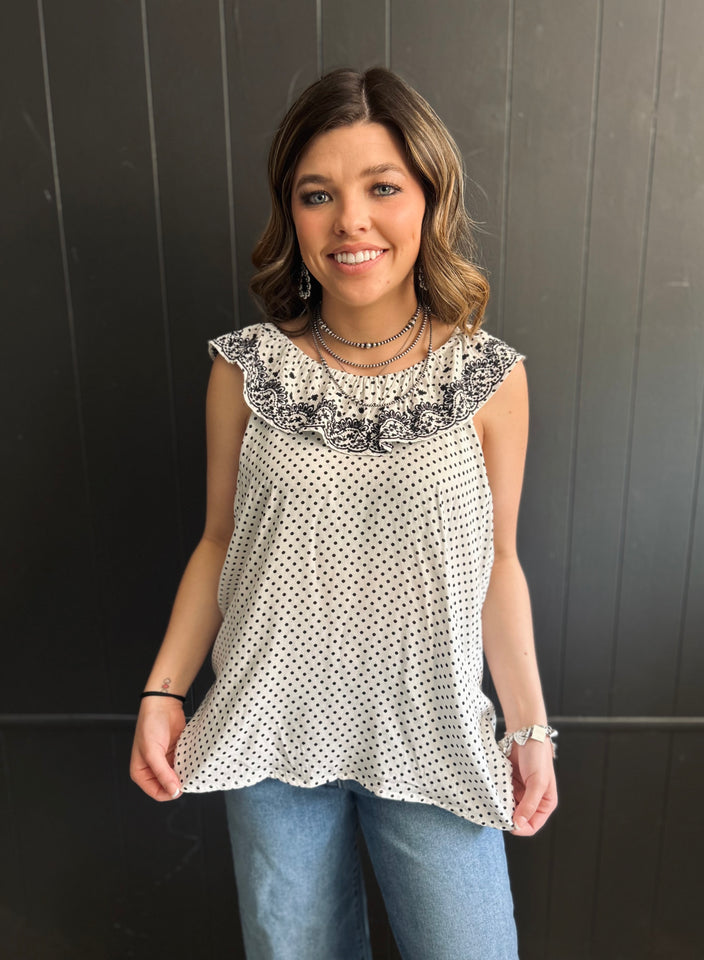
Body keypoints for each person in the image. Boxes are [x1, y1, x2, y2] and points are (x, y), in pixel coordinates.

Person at [130, 67, 557, 960]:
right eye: (317, 194)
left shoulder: (489, 377)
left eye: (383, 188)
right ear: (291, 212)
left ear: (430, 200)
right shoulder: (245, 371)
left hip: (433, 730)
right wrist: (164, 691)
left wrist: (528, 728)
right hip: (271, 734)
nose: (350, 221)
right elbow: (219, 544)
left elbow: (500, 565)